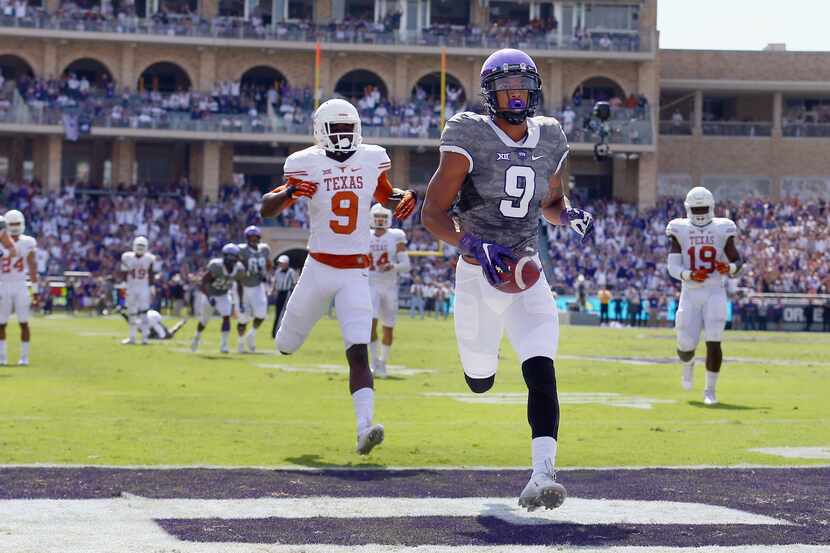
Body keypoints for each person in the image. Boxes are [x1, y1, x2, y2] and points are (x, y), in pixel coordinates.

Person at [420, 49, 594, 512]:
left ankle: (543, 475)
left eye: (522, 86)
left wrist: (569, 215)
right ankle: (480, 370)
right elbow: (432, 213)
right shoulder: (468, 133)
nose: (515, 95)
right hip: (479, 274)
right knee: (480, 379)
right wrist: (476, 246)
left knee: (542, 369)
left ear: (534, 90)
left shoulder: (551, 136)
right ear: (489, 92)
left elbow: (552, 202)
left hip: (526, 269)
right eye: (505, 87)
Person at [260, 98, 417, 455]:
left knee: (358, 350)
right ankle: (289, 340)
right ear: (321, 132)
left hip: (355, 273)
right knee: (286, 345)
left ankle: (365, 428)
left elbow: (383, 193)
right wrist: (289, 191)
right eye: (338, 129)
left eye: (349, 129)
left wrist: (403, 197)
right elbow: (266, 208)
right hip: (317, 269)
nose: (345, 135)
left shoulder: (371, 158)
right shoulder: (304, 163)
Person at [666, 186, 743, 406]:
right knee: (685, 345)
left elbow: (738, 262)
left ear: (711, 207)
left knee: (714, 341)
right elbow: (672, 265)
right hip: (690, 291)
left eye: (703, 208)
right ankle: (688, 364)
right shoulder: (679, 228)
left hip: (714, 290)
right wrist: (689, 274)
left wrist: (727, 268)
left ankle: (710, 390)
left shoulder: (723, 228)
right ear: (688, 209)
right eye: (696, 208)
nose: (700, 213)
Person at [367, 203, 410, 378]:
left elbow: (406, 265)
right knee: (370, 325)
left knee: (388, 328)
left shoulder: (396, 236)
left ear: (389, 219)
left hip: (389, 285)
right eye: (377, 216)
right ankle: (374, 362)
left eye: (383, 217)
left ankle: (383, 363)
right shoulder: (364, 235)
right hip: (371, 284)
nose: (380, 220)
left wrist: (392, 266)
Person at [190, 243, 245, 354]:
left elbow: (239, 285)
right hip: (210, 294)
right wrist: (209, 297)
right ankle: (196, 337)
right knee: (204, 321)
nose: (234, 259)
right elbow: (203, 283)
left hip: (224, 294)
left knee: (226, 316)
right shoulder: (216, 266)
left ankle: (224, 345)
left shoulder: (239, 269)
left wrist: (242, 302)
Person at [0, 211, 33, 365]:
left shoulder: (28, 242)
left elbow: (15, 252)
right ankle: (2, 357)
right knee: (1, 323)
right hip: (3, 283)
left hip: (20, 283)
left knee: (23, 322)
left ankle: (24, 357)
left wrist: (36, 288)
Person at [236, 225, 272, 353]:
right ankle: (240, 343)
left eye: (255, 237)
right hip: (243, 287)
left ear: (259, 237)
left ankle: (251, 334)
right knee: (243, 318)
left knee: (261, 314)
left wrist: (266, 274)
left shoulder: (264, 249)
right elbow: (237, 265)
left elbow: (268, 264)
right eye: (250, 237)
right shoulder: (241, 250)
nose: (253, 239)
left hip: (258, 286)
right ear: (246, 238)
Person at [118, 236, 156, 345]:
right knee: (132, 313)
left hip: (142, 287)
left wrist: (152, 286)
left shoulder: (149, 258)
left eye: (142, 246)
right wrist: (124, 285)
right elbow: (124, 272)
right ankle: (133, 337)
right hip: (133, 287)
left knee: (144, 313)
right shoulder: (127, 257)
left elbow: (151, 273)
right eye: (138, 246)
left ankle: (144, 338)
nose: (140, 248)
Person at [271, 254, 297, 338]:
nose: (280, 265)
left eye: (282, 263)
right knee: (278, 313)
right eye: (280, 263)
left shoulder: (291, 272)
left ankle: (282, 333)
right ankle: (275, 333)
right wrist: (273, 291)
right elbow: (275, 282)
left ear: (286, 263)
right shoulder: (278, 271)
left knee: (284, 313)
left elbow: (294, 283)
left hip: (287, 293)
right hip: (280, 293)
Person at [119, 307, 186, 339]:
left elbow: (132, 322)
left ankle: (182, 322)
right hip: (151, 322)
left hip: (150, 322)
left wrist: (124, 315)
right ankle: (182, 322)